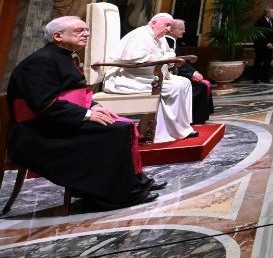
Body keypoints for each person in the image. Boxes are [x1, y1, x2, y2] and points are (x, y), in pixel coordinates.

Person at [6, 17, 163, 209]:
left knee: (120, 125)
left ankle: (132, 184)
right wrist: (86, 115)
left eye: (87, 30)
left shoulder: (64, 55)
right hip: (37, 133)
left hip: (58, 121)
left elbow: (78, 91)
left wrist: (93, 106)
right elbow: (44, 104)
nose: (86, 34)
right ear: (58, 36)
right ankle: (117, 194)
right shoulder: (40, 62)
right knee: (116, 131)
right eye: (79, 30)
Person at [104, 13, 196, 143]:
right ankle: (162, 133)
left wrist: (167, 57)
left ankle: (181, 128)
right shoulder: (139, 36)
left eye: (170, 26)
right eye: (167, 25)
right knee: (174, 87)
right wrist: (164, 58)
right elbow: (137, 60)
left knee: (185, 82)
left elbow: (169, 53)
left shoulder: (160, 36)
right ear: (153, 23)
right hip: (128, 76)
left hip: (148, 75)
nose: (169, 29)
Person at [164, 19, 214, 125]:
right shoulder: (169, 42)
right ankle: (195, 118)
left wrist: (193, 72)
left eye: (184, 28)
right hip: (171, 75)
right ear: (171, 30)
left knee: (203, 84)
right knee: (201, 86)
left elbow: (179, 61)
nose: (184, 31)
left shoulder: (172, 41)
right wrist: (191, 73)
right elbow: (174, 62)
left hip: (177, 72)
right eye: (181, 29)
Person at [253, 8, 273, 83]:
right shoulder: (260, 21)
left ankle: (265, 78)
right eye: (272, 12)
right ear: (267, 13)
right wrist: (266, 44)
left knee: (267, 62)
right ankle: (256, 79)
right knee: (259, 61)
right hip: (261, 46)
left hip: (271, 46)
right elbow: (259, 35)